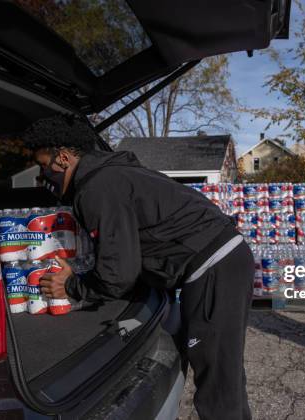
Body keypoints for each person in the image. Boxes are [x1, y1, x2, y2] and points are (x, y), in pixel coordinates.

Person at [22, 114, 254, 420]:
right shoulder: (115, 173)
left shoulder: (98, 187)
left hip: (213, 267)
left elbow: (118, 273)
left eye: (43, 166)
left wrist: (70, 285)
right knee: (225, 373)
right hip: (223, 260)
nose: (43, 176)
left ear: (63, 158)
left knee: (217, 384)